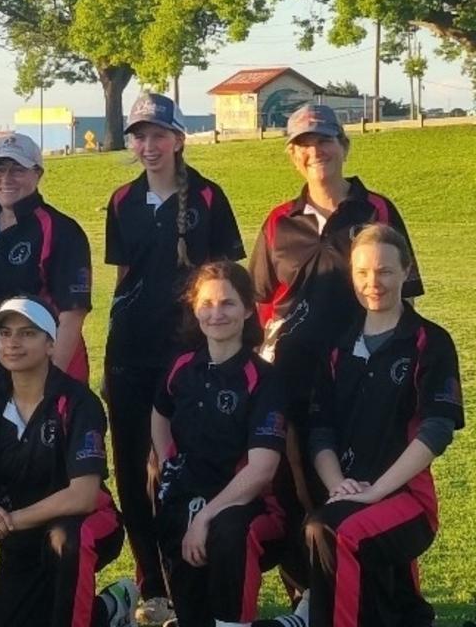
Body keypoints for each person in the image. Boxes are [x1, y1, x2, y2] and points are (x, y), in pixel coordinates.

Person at [103, 92, 245, 622]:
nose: (148, 145)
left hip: (190, 352)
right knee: (133, 466)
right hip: (130, 355)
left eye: (158, 135)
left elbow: (227, 279)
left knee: (183, 466)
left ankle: (194, 574)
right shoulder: (121, 200)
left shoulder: (208, 196)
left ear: (179, 139)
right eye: (139, 135)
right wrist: (108, 361)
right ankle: (151, 585)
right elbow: (122, 284)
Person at [250, 104, 423, 511]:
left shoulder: (376, 210)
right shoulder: (279, 221)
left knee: (367, 485)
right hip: (292, 376)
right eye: (303, 145)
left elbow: (406, 293)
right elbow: (260, 302)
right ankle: (309, 573)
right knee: (298, 491)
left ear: (344, 146)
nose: (315, 152)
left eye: (324, 140)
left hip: (363, 373)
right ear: (293, 156)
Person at [304, 225, 462, 627]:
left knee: (332, 531)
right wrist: (339, 484)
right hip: (351, 490)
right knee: (324, 527)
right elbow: (319, 429)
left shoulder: (430, 342)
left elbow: (436, 430)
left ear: (406, 271)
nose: (374, 283)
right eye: (363, 272)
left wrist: (376, 491)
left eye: (385, 271)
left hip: (407, 499)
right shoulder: (336, 345)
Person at [0, 296, 134, 627]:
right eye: (5, 333)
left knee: (66, 540)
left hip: (84, 524)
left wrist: (6, 521)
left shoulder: (78, 402)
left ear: (51, 344)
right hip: (23, 535)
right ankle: (113, 606)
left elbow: (82, 495)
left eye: (27, 333)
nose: (13, 343)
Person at [151, 261, 289, 627]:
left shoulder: (263, 379)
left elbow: (262, 471)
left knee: (230, 532)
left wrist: (206, 515)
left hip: (250, 509)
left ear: (247, 309)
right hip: (188, 498)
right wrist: (167, 465)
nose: (216, 313)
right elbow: (160, 412)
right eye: (206, 303)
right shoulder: (182, 366)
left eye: (228, 303)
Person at [0, 132, 92, 407]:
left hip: (38, 377)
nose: (6, 178)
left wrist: (49, 386)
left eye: (18, 169)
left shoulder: (62, 230)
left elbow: (72, 315)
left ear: (38, 174)